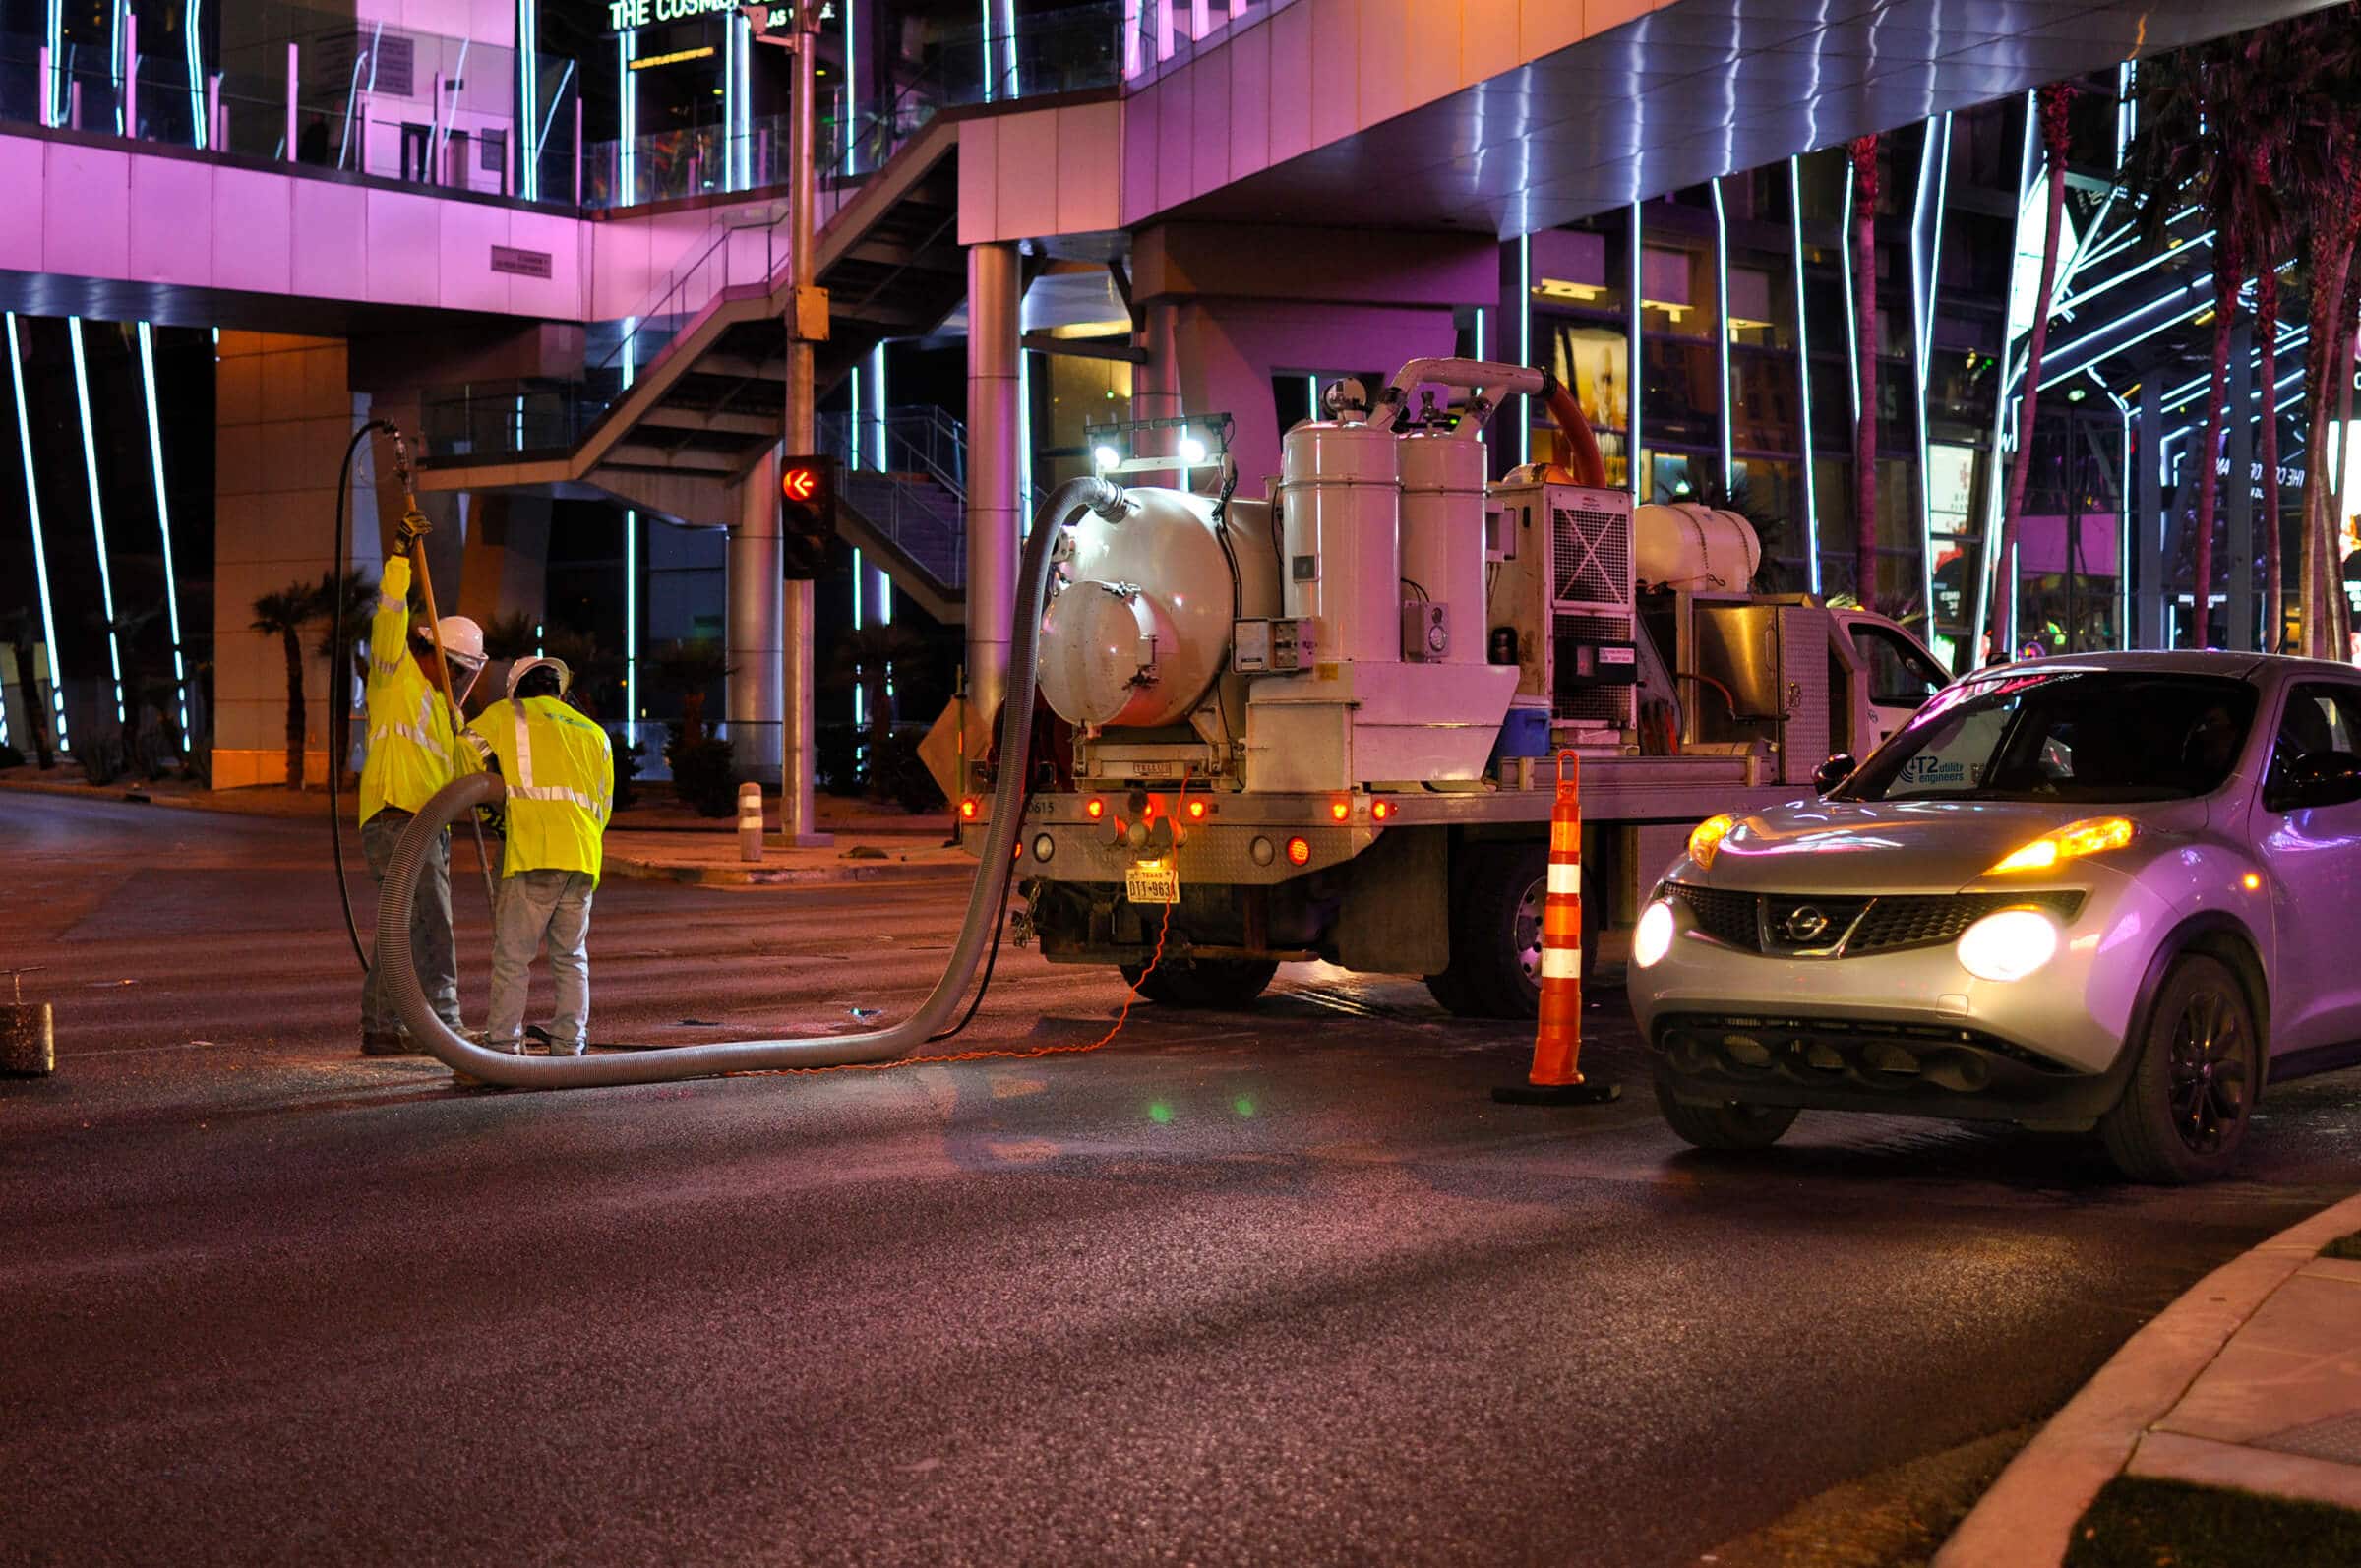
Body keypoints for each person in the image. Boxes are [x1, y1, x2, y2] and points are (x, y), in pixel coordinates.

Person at [357, 527, 486, 1055]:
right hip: (396, 819)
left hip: (428, 827)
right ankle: (445, 1026)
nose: (457, 680)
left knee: (404, 925)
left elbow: (464, 769)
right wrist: (399, 559)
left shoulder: (446, 712)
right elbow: (388, 615)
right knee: (427, 923)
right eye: (454, 669)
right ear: (430, 651)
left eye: (463, 675)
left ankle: (387, 1026)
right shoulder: (394, 676)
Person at [464, 656, 613, 1056]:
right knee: (571, 957)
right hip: (582, 856)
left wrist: (496, 797)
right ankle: (569, 1045)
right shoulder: (594, 733)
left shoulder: (505, 715)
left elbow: (462, 755)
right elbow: (603, 805)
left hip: (531, 851)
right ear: (559, 690)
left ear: (517, 689)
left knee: (513, 958)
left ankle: (503, 1046)